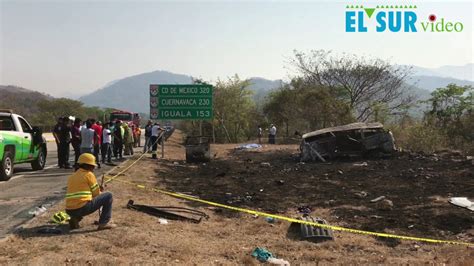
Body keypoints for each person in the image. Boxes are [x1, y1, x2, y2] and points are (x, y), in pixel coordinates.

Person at [65, 153, 116, 230]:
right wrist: (100, 190)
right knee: (108, 196)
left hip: (69, 210)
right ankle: (104, 223)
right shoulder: (89, 175)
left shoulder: (72, 176)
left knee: (79, 202)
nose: (93, 168)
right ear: (86, 165)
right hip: (82, 208)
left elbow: (81, 193)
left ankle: (75, 218)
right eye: (92, 166)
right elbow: (96, 194)